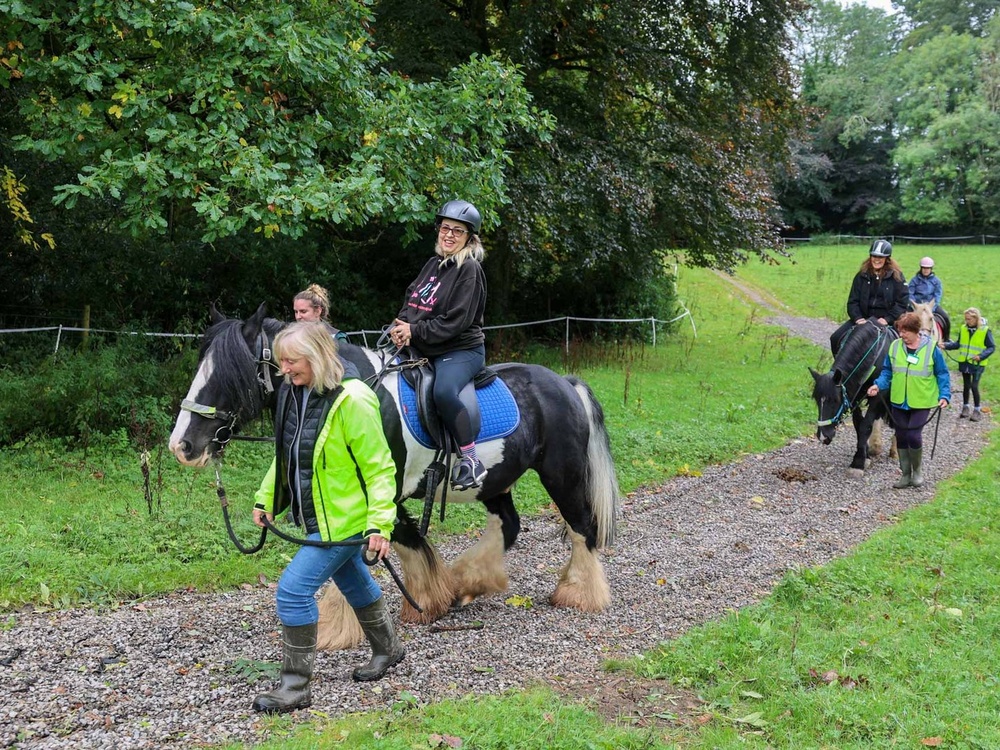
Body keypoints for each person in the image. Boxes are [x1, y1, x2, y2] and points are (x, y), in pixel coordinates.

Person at [251, 322, 403, 714]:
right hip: (319, 518)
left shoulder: (354, 400)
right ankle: (389, 649)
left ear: (317, 356)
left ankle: (295, 686)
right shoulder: (293, 392)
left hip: (344, 522)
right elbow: (286, 455)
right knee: (353, 581)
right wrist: (266, 498)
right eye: (280, 361)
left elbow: (380, 469)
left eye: (291, 360)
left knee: (292, 592)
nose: (283, 369)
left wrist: (379, 524)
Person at [390, 199, 488, 491]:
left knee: (443, 391)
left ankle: (470, 460)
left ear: (469, 238)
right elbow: (412, 301)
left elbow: (456, 320)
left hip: (460, 351)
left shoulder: (469, 269)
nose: (449, 235)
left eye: (457, 231)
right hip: (425, 347)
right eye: (445, 228)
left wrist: (415, 331)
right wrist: (401, 327)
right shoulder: (433, 265)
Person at [867, 312, 950, 489]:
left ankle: (917, 472)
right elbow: (887, 372)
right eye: (900, 331)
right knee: (901, 436)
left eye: (905, 331)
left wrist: (944, 395)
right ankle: (905, 475)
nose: (902, 335)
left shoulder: (932, 349)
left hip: (922, 400)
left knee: (913, 435)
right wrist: (878, 385)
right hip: (898, 400)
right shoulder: (895, 346)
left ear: (916, 331)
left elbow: (942, 373)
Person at [830, 239, 909, 355]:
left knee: (905, 346)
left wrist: (887, 319)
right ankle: (838, 371)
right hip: (864, 318)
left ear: (887, 259)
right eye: (874, 256)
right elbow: (853, 301)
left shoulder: (897, 277)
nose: (877, 259)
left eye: (880, 257)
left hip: (888, 320)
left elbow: (902, 302)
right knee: (835, 338)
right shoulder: (861, 276)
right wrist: (857, 318)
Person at [942, 307, 994, 422]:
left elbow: (991, 347)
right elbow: (958, 344)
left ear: (976, 319)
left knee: (974, 386)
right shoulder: (963, 329)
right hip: (965, 363)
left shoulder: (985, 331)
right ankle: (965, 407)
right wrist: (945, 345)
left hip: (977, 364)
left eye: (969, 319)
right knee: (966, 386)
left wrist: (981, 356)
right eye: (966, 319)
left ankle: (977, 410)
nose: (967, 321)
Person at [908, 256, 950, 337]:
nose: (925, 270)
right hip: (917, 305)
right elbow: (910, 293)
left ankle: (946, 338)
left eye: (928, 268)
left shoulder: (936, 281)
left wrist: (932, 307)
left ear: (931, 269)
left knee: (945, 317)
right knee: (902, 317)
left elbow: (937, 295)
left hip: (931, 305)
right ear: (921, 268)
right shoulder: (914, 280)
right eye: (924, 268)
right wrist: (914, 305)